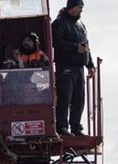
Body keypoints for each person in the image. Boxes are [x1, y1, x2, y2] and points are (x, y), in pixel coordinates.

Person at [52, 0, 95, 136]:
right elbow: (56, 43)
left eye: (82, 7)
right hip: (65, 66)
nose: (81, 10)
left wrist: (90, 65)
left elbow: (86, 46)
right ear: (71, 7)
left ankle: (76, 128)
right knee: (65, 97)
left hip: (79, 67)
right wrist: (75, 48)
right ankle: (62, 127)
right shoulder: (59, 23)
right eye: (79, 7)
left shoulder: (80, 25)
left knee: (79, 99)